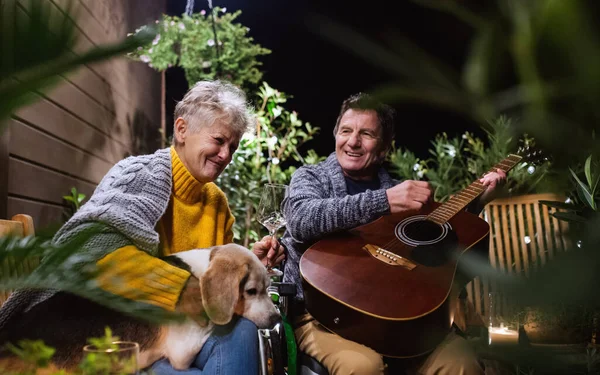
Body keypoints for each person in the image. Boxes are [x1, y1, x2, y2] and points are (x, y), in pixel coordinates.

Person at [0, 80, 285, 375]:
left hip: (182, 334)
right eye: (218, 140)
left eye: (233, 146)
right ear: (182, 130)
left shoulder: (218, 204)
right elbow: (97, 257)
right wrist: (189, 290)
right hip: (120, 333)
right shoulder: (137, 175)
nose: (225, 154)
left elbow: (217, 277)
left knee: (240, 332)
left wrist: (249, 267)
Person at [280, 92, 506, 375]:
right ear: (336, 134)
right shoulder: (312, 177)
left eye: (367, 134)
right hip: (324, 316)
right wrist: (384, 200)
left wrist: (477, 203)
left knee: (461, 362)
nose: (353, 141)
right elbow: (301, 220)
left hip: (400, 321)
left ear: (385, 148)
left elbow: (441, 250)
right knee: (363, 366)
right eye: (346, 131)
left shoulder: (403, 193)